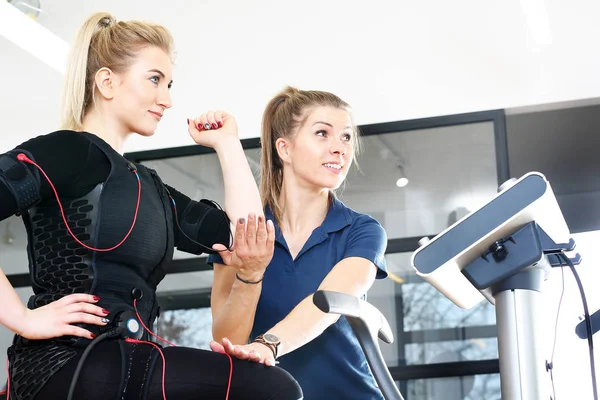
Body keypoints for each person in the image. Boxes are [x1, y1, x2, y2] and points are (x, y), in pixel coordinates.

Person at [0, 12, 302, 400]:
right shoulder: (68, 151)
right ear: (107, 82)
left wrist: (228, 145)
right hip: (65, 363)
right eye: (155, 79)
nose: (168, 99)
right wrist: (21, 318)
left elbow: (246, 240)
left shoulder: (154, 189)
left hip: (129, 360)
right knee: (270, 389)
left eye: (170, 84)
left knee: (270, 387)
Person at [208, 86, 389, 399]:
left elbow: (327, 303)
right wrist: (250, 273)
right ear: (285, 149)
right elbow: (228, 338)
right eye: (323, 133)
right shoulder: (245, 234)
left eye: (346, 137)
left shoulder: (362, 231)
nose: (340, 148)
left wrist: (268, 345)